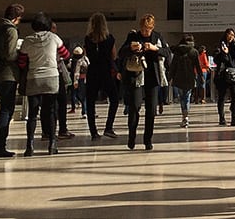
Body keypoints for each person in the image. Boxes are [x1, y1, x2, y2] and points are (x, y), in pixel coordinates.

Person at [18, 13, 67, 156]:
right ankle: (52, 144)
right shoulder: (54, 38)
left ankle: (30, 146)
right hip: (51, 77)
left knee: (32, 114)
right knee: (51, 111)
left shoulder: (28, 40)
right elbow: (66, 54)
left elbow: (21, 62)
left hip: (34, 78)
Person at [119, 14, 170, 150]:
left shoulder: (157, 37)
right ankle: (131, 137)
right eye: (143, 29)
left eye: (148, 29)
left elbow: (168, 53)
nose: (145, 32)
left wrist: (155, 49)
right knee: (134, 108)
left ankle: (148, 140)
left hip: (152, 78)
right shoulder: (133, 36)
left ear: (152, 28)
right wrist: (131, 48)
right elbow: (121, 52)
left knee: (151, 110)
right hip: (136, 78)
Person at [0, 3, 23, 158]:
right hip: (8, 74)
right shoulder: (11, 30)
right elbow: (9, 54)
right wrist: (20, 53)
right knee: (7, 110)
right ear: (17, 17)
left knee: (4, 109)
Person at [84, 12, 118, 141]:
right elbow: (114, 56)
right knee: (114, 99)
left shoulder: (88, 38)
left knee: (91, 102)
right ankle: (108, 127)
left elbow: (86, 54)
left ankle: (94, 132)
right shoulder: (109, 38)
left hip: (92, 72)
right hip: (105, 71)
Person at [168, 34, 202, 128]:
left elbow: (173, 66)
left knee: (182, 97)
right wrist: (201, 76)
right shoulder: (194, 52)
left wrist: (169, 77)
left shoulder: (177, 52)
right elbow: (198, 66)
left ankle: (184, 114)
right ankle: (185, 116)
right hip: (190, 77)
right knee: (187, 97)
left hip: (178, 78)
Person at [214, 28, 235, 126]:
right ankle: (222, 118)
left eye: (233, 35)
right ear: (225, 35)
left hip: (233, 74)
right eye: (229, 34)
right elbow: (217, 60)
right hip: (222, 74)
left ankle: (234, 118)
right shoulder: (220, 46)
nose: (231, 36)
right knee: (222, 97)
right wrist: (224, 53)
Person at [70, 46, 88, 115]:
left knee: (81, 95)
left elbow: (76, 72)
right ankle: (85, 110)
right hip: (85, 79)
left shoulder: (79, 61)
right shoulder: (86, 59)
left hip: (80, 80)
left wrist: (75, 81)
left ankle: (84, 111)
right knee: (84, 95)